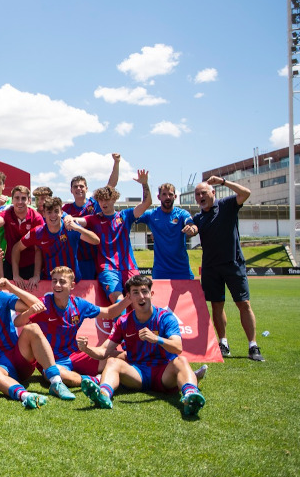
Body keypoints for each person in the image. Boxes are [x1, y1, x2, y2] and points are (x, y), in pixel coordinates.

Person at [76, 275, 206, 416]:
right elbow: (103, 352)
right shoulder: (124, 322)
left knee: (181, 361)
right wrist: (86, 349)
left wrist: (157, 339)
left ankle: (191, 396)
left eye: (144, 291)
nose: (141, 297)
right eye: (135, 292)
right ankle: (103, 395)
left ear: (152, 294)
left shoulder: (165, 317)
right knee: (113, 361)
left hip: (163, 373)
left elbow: (178, 347)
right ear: (129, 297)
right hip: (138, 373)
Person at [0, 268, 73, 407]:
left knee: (32, 328)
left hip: (18, 358)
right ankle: (26, 396)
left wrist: (10, 287)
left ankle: (56, 382)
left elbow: (37, 305)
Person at [193, 176, 264, 361]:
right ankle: (223, 343)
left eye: (203, 192)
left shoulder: (227, 204)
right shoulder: (198, 217)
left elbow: (245, 193)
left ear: (213, 193)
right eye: (197, 194)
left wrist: (223, 182)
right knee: (217, 305)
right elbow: (191, 227)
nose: (200, 196)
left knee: (244, 304)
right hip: (210, 267)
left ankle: (253, 345)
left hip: (233, 264)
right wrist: (190, 229)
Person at [26, 266, 129, 388]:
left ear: (72, 286)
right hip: (53, 361)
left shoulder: (79, 304)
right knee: (58, 375)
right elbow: (20, 320)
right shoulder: (43, 303)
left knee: (124, 357)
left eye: (62, 282)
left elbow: (109, 313)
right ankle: (95, 380)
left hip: (76, 354)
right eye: (54, 281)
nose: (57, 285)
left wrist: (127, 300)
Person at [77, 170, 151, 303]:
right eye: (100, 200)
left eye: (106, 200)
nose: (103, 203)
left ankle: (143, 324)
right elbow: (78, 220)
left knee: (140, 300)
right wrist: (65, 218)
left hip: (129, 267)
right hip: (107, 268)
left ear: (114, 199)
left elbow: (146, 204)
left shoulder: (125, 215)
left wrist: (144, 184)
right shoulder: (94, 219)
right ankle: (120, 324)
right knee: (118, 300)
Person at [13, 196, 99, 291]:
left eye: (56, 211)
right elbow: (16, 248)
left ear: (62, 213)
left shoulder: (70, 228)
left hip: (72, 282)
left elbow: (95, 241)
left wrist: (77, 227)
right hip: (50, 282)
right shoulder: (38, 232)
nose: (53, 215)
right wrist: (16, 275)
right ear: (44, 214)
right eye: (49, 212)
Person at [62, 153, 121, 280]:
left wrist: (116, 163)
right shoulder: (66, 209)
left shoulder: (95, 203)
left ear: (86, 188)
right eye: (75, 186)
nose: (79, 188)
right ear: (71, 190)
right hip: (77, 257)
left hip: (97, 255)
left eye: (81, 186)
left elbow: (111, 185)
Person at [137, 182, 198, 280]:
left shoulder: (182, 213)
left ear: (175, 196)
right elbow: (130, 216)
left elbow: (191, 224)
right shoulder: (151, 214)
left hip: (182, 270)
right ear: (159, 197)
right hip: (160, 271)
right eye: (164, 194)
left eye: (170, 194)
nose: (167, 197)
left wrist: (192, 229)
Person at [0, 185, 43, 283]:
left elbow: (38, 250)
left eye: (23, 198)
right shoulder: (7, 213)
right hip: (10, 263)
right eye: (17, 198)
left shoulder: (36, 218)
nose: (20, 202)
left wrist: (36, 275)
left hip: (31, 264)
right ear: (12, 200)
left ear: (29, 201)